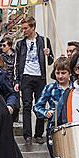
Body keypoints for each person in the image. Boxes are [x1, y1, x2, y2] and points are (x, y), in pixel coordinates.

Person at [34, 56, 72, 158]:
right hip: (53, 129)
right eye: (57, 73)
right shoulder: (50, 88)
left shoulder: (74, 88)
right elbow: (37, 106)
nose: (60, 76)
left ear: (69, 73)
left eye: (63, 73)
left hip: (71, 128)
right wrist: (46, 112)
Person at [14, 16, 54, 145]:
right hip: (26, 76)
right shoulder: (20, 44)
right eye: (22, 28)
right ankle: (27, 135)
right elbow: (17, 63)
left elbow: (51, 61)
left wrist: (49, 54)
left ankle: (38, 134)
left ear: (33, 27)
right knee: (26, 105)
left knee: (40, 105)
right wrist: (17, 81)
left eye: (26, 28)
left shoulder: (44, 41)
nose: (23, 31)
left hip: (40, 77)